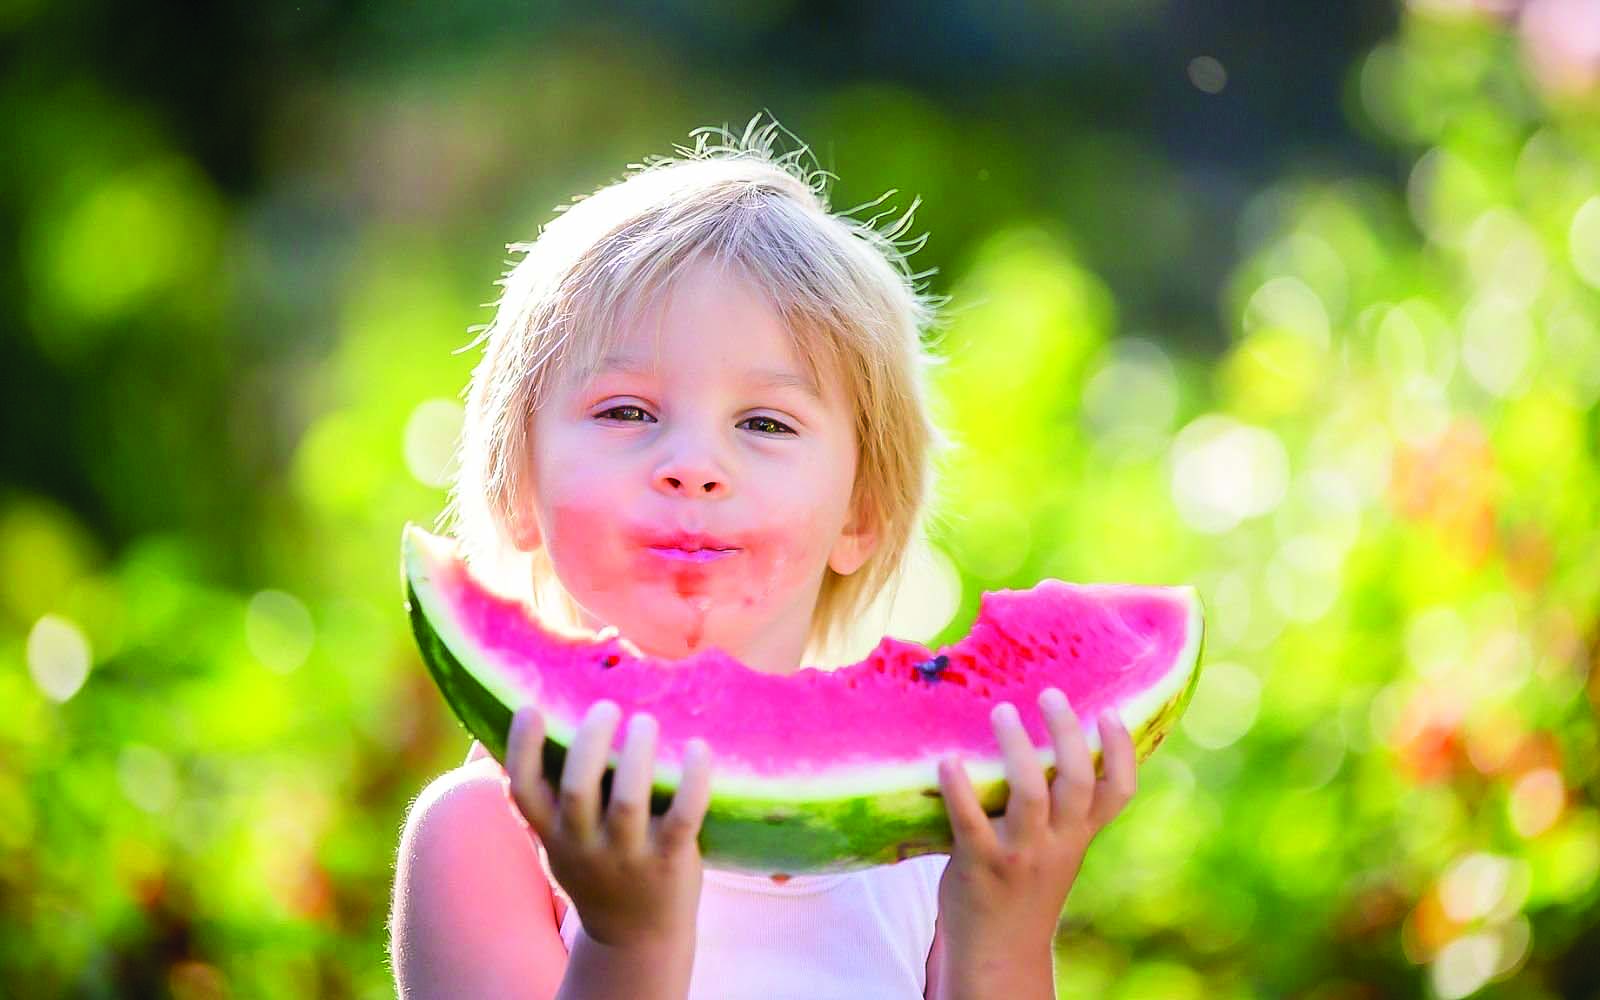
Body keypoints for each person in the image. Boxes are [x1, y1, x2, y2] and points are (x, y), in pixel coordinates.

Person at [387, 114, 1139, 999]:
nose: (694, 467)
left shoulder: (921, 853)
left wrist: (1005, 933)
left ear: (861, 511)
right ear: (520, 485)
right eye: (626, 410)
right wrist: (625, 940)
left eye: (765, 423)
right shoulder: (486, 837)